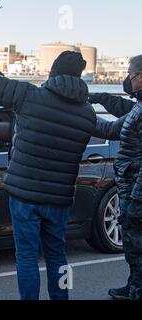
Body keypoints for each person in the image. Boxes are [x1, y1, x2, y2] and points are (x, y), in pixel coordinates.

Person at [0, 51, 97, 300]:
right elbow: (113, 129)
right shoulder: (87, 113)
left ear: (53, 72)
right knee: (57, 254)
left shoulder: (30, 95)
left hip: (25, 196)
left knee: (26, 256)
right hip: (59, 198)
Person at [91, 55, 142, 300]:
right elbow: (112, 129)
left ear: (141, 76)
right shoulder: (139, 106)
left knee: (139, 244)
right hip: (129, 188)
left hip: (136, 193)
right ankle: (134, 286)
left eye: (130, 74)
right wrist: (88, 106)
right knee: (133, 245)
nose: (127, 79)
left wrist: (137, 199)